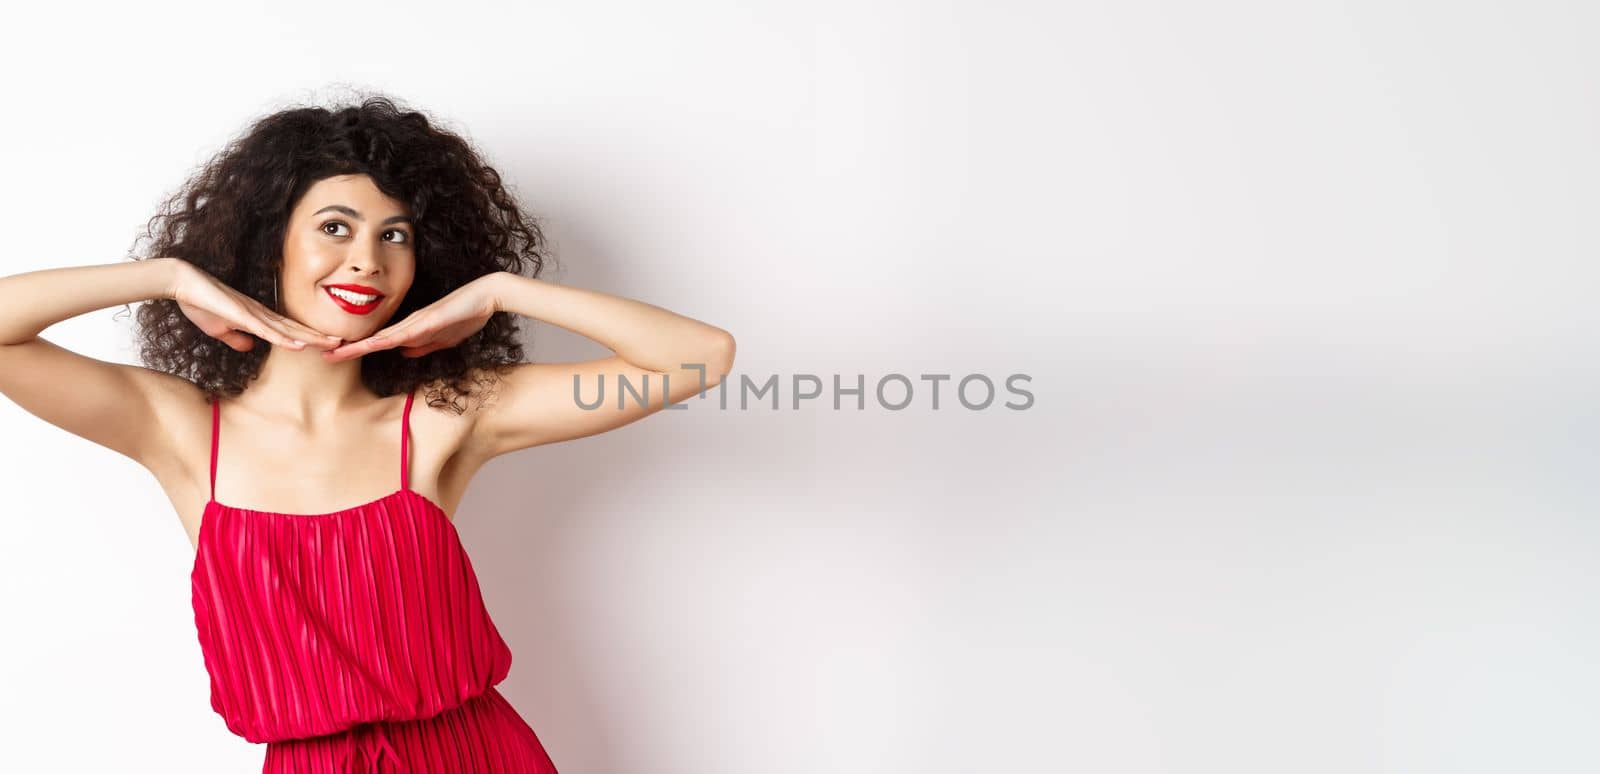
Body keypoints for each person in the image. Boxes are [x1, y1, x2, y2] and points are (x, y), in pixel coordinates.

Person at [0, 94, 735, 772]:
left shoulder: (448, 415)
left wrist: (500, 291)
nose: (367, 260)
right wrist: (167, 276)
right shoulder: (183, 429)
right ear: (267, 247)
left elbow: (699, 358)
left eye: (396, 236)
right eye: (333, 228)